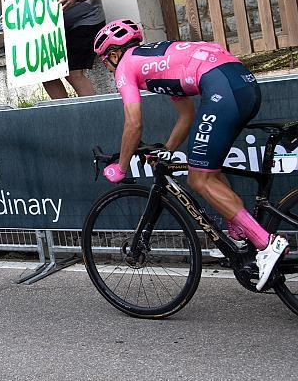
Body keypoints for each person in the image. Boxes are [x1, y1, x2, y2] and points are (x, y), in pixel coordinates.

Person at [94, 19, 289, 291]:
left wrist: (122, 166)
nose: (107, 66)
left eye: (105, 60)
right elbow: (187, 115)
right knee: (209, 168)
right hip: (241, 84)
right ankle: (239, 234)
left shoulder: (125, 65)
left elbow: (134, 123)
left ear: (114, 54)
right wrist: (167, 152)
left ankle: (266, 243)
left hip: (223, 89)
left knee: (199, 179)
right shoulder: (157, 59)